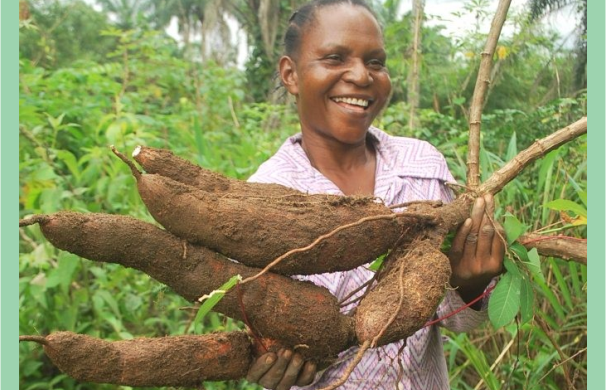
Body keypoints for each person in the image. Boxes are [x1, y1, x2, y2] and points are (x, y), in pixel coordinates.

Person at [244, 0, 505, 389]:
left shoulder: (422, 165)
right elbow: (259, 329)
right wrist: (270, 363)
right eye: (334, 58)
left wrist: (468, 283)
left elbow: (457, 318)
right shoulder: (261, 196)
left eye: (376, 62)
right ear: (290, 74)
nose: (361, 76)